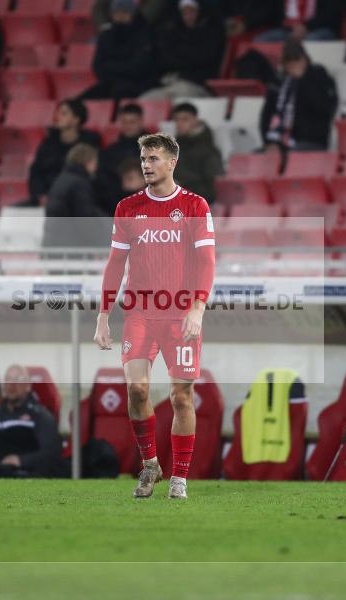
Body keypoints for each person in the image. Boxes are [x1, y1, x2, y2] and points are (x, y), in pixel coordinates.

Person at [94, 132, 216, 500]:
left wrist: (197, 308)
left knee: (181, 397)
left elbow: (207, 262)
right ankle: (150, 465)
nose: (146, 165)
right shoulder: (128, 208)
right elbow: (116, 263)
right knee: (137, 389)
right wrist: (103, 314)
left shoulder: (195, 206)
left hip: (180, 315)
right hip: (140, 313)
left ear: (172, 162)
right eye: (144, 159)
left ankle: (180, 476)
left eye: (153, 159)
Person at [260, 39, 338, 152]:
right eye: (288, 61)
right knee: (256, 157)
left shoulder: (319, 76)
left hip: (310, 141)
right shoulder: (278, 82)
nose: (293, 65)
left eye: (296, 60)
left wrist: (303, 79)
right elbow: (266, 115)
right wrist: (269, 143)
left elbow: (324, 108)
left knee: (294, 154)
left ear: (305, 59)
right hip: (279, 141)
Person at [141, 0, 225, 100]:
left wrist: (179, 56)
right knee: (143, 101)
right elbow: (163, 59)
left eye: (191, 11)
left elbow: (204, 57)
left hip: (199, 85)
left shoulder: (212, 30)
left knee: (180, 94)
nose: (188, 16)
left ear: (199, 11)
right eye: (184, 13)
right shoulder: (174, 30)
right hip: (170, 83)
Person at [28, 99, 102, 207]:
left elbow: (94, 175)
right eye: (57, 112)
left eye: (64, 113)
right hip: (47, 200)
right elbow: (36, 173)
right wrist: (41, 195)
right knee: (11, 213)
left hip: (79, 201)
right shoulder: (48, 143)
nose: (57, 116)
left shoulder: (89, 144)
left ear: (76, 119)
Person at [82, 0, 159, 100]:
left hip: (138, 85)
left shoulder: (144, 34)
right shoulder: (106, 36)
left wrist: (111, 66)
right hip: (110, 83)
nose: (120, 16)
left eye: (125, 12)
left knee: (119, 92)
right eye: (117, 13)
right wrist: (123, 66)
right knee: (83, 100)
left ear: (133, 14)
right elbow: (98, 66)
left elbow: (139, 67)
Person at [43, 143, 109, 248]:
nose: (96, 167)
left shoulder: (62, 179)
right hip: (69, 250)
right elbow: (85, 220)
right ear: (87, 162)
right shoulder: (79, 184)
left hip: (55, 245)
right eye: (94, 162)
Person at [95, 103, 147, 212]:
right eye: (124, 122)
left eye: (132, 122)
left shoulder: (154, 148)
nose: (128, 126)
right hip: (116, 203)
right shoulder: (111, 151)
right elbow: (103, 179)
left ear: (141, 122)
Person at [170, 102, 223, 202]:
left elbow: (211, 185)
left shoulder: (208, 150)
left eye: (185, 119)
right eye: (177, 120)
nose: (179, 124)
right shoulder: (174, 146)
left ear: (196, 120)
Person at [255, 0, 346, 41]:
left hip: (320, 29)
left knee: (310, 40)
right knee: (263, 40)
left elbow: (333, 13)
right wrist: (292, 26)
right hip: (289, 30)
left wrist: (306, 26)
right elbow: (274, 13)